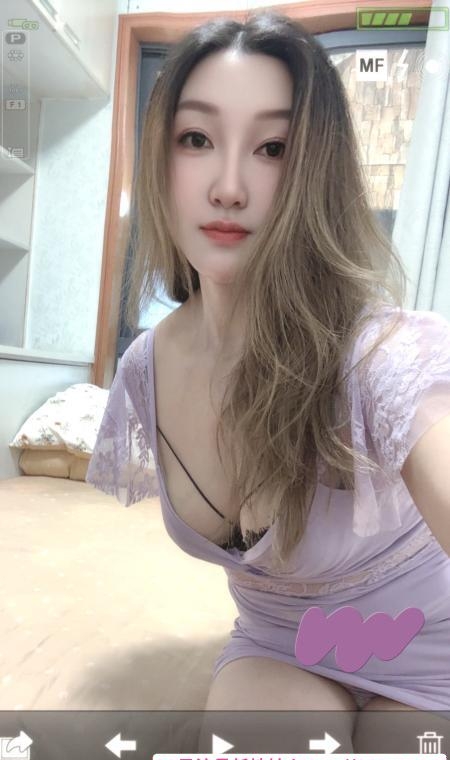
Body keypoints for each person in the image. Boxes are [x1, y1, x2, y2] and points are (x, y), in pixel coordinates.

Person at [86, 10, 450, 751]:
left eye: (273, 148)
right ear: (160, 159)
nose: (228, 187)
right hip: (281, 645)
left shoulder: (378, 355)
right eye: (196, 139)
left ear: (316, 172)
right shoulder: (143, 370)